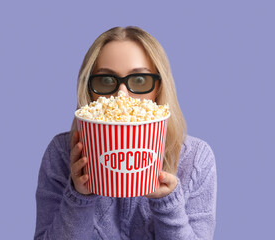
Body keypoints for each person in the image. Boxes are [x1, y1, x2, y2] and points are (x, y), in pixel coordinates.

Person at [34, 26, 217, 240]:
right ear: (89, 90)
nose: (122, 96)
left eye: (140, 80)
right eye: (105, 81)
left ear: (159, 87)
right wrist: (78, 197)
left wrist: (168, 204)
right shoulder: (61, 154)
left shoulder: (196, 158)